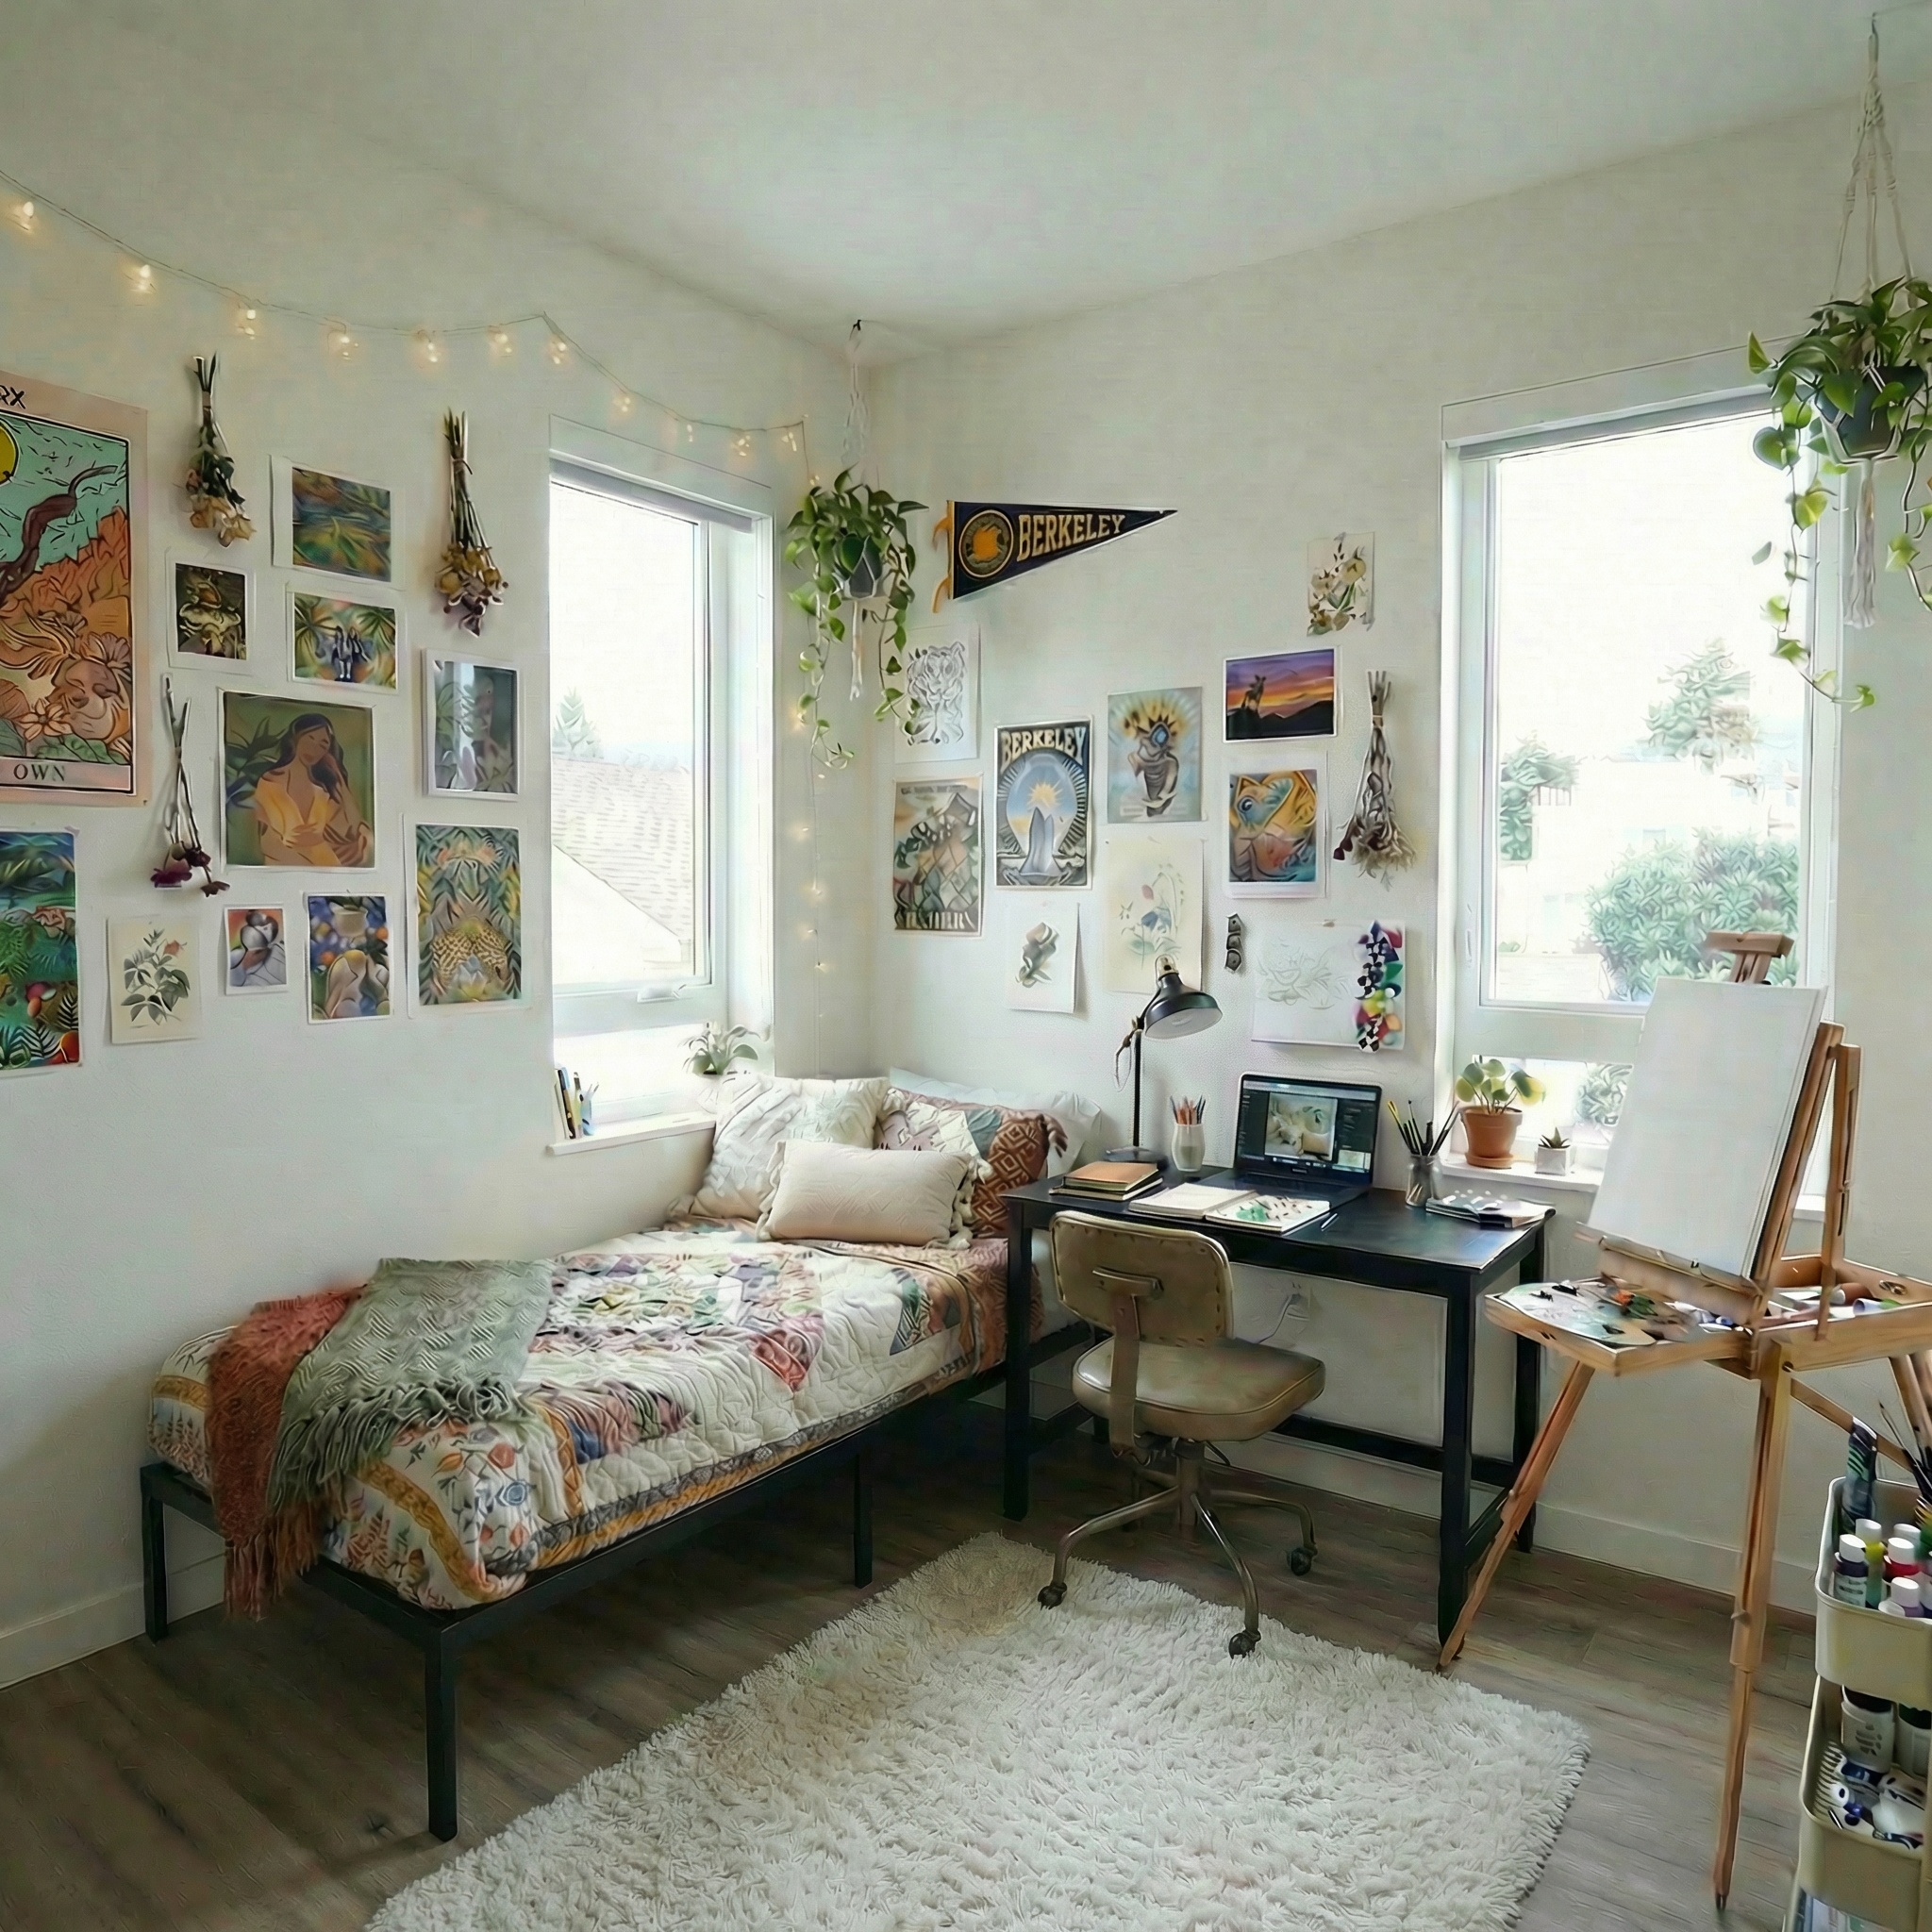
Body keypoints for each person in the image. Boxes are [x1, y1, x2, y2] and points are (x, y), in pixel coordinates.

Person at [250, 714, 371, 866]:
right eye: (310, 738)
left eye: (323, 744)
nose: (314, 749)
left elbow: (351, 829)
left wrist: (338, 774)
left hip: (325, 866)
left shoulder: (321, 792)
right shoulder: (271, 781)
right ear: (296, 738)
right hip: (284, 866)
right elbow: (277, 838)